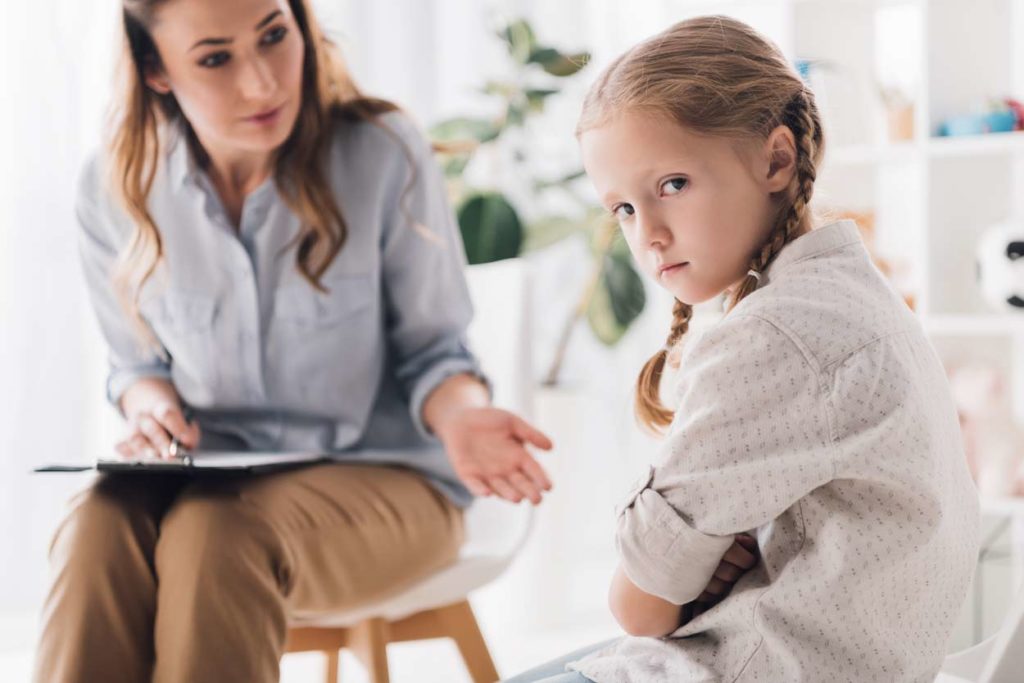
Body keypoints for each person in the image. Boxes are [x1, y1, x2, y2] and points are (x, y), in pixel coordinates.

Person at [33, 1, 553, 681]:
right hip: (208, 480)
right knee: (97, 520)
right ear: (156, 68)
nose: (263, 83)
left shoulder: (381, 151)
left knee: (218, 534)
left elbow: (436, 353)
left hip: (389, 479)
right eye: (216, 57)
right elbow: (136, 366)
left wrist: (460, 417)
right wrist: (150, 408)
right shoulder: (113, 188)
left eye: (275, 36)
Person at [505, 15, 979, 683]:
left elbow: (637, 608)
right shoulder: (850, 295)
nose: (649, 236)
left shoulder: (776, 337)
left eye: (671, 184)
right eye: (624, 209)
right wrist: (702, 557)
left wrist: (686, 563)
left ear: (776, 160)